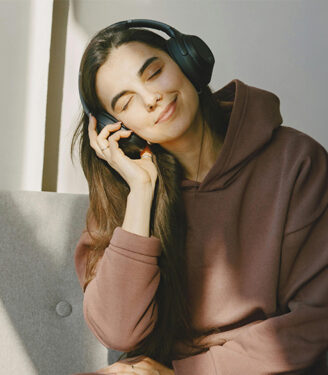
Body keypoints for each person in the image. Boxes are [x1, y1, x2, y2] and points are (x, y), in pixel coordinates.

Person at [71, 20, 328, 374]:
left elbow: (317, 318)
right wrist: (142, 192)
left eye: (154, 72)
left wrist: (186, 373)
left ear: (187, 60)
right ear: (117, 128)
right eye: (126, 102)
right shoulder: (126, 195)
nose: (151, 99)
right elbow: (119, 332)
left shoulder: (295, 161)